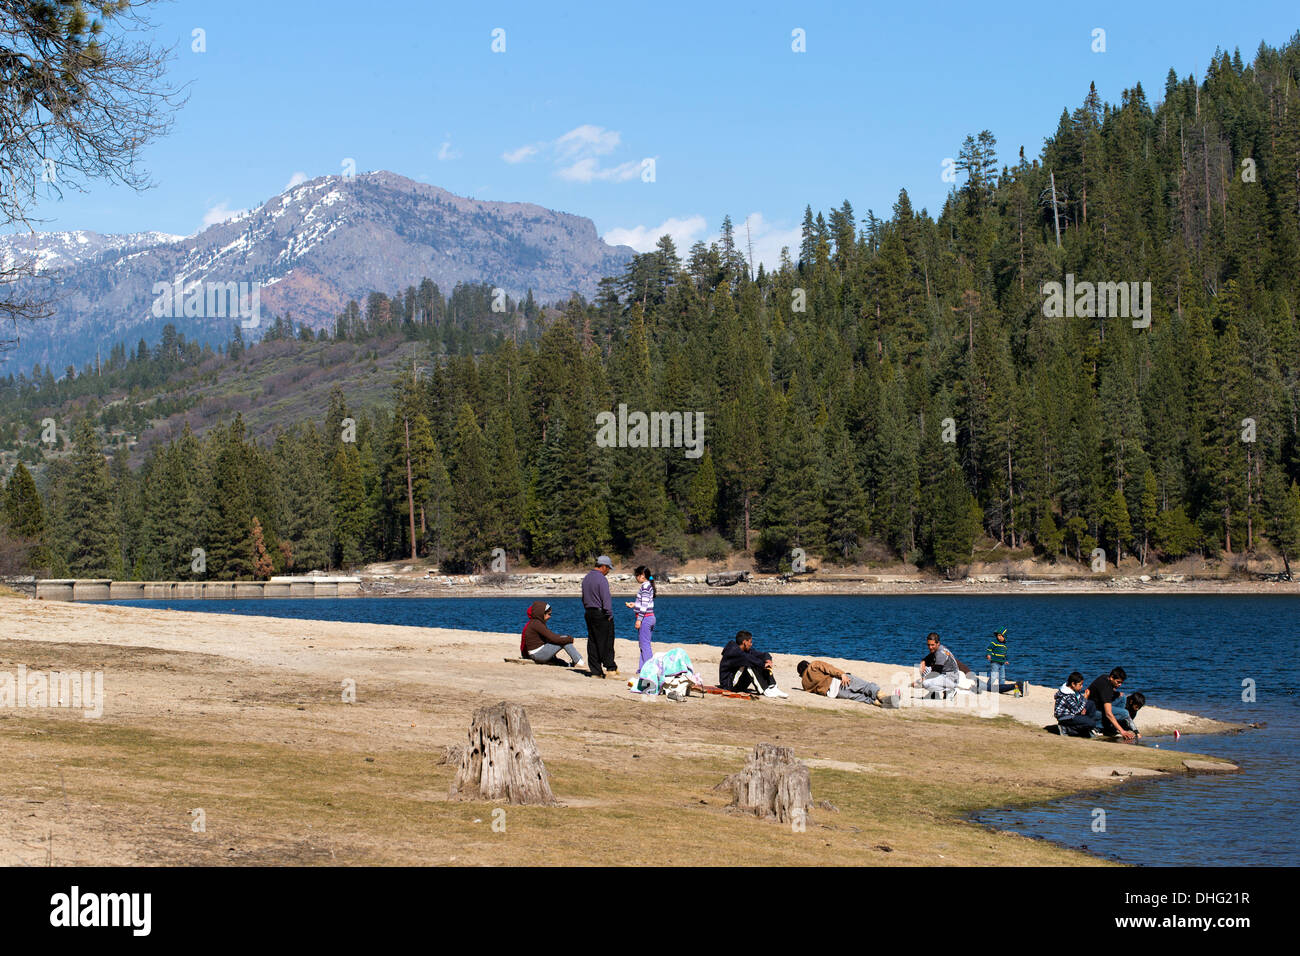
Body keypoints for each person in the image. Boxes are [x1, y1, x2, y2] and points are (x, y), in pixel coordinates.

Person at [719, 630, 789, 698]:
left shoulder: (745, 650)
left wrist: (768, 660)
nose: (751, 644)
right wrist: (763, 665)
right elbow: (748, 659)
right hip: (729, 684)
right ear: (745, 642)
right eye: (750, 642)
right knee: (751, 664)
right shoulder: (734, 651)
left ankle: (772, 686)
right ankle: (765, 690)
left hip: (737, 681)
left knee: (759, 661)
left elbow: (763, 654)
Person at [521, 601, 587, 669]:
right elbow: (553, 638)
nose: (550, 616)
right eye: (549, 614)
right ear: (541, 613)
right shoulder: (536, 623)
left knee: (563, 643)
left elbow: (550, 637)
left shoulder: (536, 623)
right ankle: (579, 662)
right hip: (537, 654)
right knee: (564, 640)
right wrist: (570, 639)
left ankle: (575, 662)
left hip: (537, 653)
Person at [582, 555, 617, 678]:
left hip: (589, 612)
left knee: (593, 641)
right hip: (601, 613)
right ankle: (610, 668)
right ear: (603, 567)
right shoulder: (601, 579)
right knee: (606, 641)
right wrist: (609, 614)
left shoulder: (586, 578)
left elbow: (583, 598)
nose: (608, 571)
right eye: (608, 568)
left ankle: (595, 671)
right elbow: (606, 599)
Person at [797, 660, 881, 705]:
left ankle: (875, 702)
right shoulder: (813, 665)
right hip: (838, 681)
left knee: (860, 697)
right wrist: (842, 674)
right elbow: (829, 668)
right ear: (808, 664)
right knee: (865, 687)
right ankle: (881, 695)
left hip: (835, 694)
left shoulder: (804, 684)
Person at [1085, 667, 1135, 741]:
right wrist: (1123, 732)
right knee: (1124, 713)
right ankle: (1100, 727)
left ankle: (1112, 726)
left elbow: (1102, 692)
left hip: (1097, 705)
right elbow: (1108, 713)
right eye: (1118, 682)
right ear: (1111, 678)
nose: (1120, 685)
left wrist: (1115, 693)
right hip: (1092, 712)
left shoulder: (1104, 677)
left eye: (1121, 683)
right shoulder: (1106, 689)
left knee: (1122, 697)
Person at [624, 565, 656, 670]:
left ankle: (649, 669)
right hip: (649, 617)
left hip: (646, 618)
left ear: (642, 576)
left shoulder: (645, 587)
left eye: (637, 575)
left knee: (644, 645)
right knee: (643, 644)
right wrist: (634, 605)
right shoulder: (647, 586)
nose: (636, 578)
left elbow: (645, 605)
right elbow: (643, 604)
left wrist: (639, 620)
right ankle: (642, 669)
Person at [914, 632, 960, 698]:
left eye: (932, 645)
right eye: (928, 645)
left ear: (938, 643)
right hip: (945, 675)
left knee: (926, 683)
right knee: (924, 668)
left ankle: (950, 690)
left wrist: (921, 680)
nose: (930, 647)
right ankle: (934, 693)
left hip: (951, 678)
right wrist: (923, 662)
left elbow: (936, 671)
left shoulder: (940, 653)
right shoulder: (938, 649)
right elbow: (929, 658)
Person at [1053, 671, 1097, 737]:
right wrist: (1085, 699)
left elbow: (1079, 702)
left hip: (1073, 712)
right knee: (1091, 723)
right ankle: (1066, 729)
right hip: (1065, 717)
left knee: (1091, 703)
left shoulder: (1075, 691)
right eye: (1080, 684)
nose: (1082, 686)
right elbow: (1076, 710)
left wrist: (1083, 707)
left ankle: (1087, 728)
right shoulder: (1067, 695)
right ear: (1073, 684)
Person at [985, 627, 1009, 693]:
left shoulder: (1004, 645)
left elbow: (1004, 654)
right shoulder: (994, 642)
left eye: (1001, 636)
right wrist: (988, 654)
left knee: (1002, 676)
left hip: (1002, 663)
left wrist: (1006, 660)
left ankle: (1002, 687)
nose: (999, 637)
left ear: (1004, 637)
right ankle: (988, 686)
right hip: (995, 662)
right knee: (994, 675)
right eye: (998, 635)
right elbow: (989, 649)